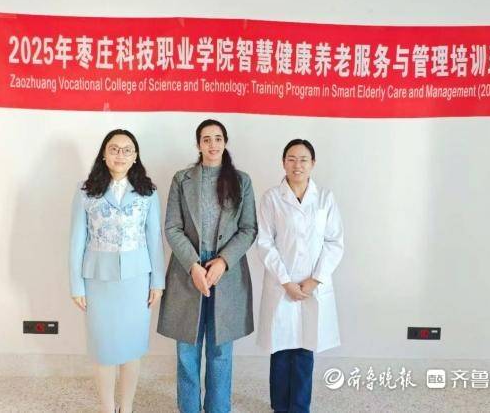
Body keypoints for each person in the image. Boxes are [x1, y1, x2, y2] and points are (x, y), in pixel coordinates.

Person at [157, 119, 257, 413]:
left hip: (227, 273)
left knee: (220, 351)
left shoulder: (241, 181)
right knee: (187, 351)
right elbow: (172, 227)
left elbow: (248, 229)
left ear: (225, 142)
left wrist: (223, 262)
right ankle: (188, 408)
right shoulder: (182, 179)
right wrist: (194, 266)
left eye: (217, 138)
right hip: (188, 271)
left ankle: (218, 408)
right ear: (198, 144)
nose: (212, 144)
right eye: (206, 139)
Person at [69, 129, 165, 413]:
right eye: (114, 149)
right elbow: (77, 240)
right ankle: (107, 408)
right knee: (103, 349)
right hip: (98, 280)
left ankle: (127, 407)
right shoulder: (86, 191)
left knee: (132, 348)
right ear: (104, 154)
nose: (120, 155)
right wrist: (76, 285)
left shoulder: (148, 192)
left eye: (127, 150)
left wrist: (157, 282)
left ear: (135, 157)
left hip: (137, 281)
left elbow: (154, 239)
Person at [256, 139, 344, 413]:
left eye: (303, 159)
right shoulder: (272, 198)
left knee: (305, 348)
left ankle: (299, 407)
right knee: (281, 349)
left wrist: (315, 280)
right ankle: (280, 406)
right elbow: (264, 243)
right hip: (282, 284)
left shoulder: (325, 198)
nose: (297, 165)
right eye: (291, 159)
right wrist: (286, 281)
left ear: (313, 163)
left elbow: (334, 242)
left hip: (312, 286)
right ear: (283, 163)